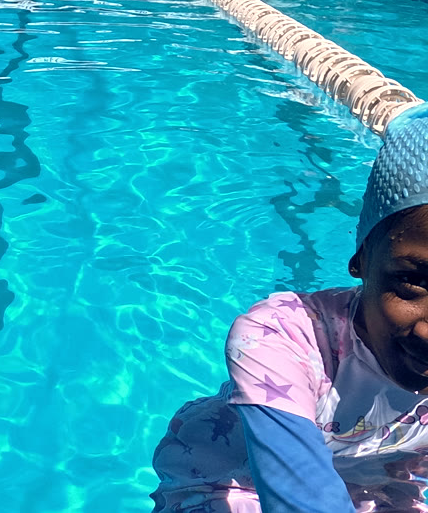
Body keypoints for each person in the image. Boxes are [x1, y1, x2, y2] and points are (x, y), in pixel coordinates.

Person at [151, 104, 428, 513]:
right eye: (410, 280)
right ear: (362, 257)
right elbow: (305, 502)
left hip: (372, 481)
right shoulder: (280, 339)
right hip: (225, 483)